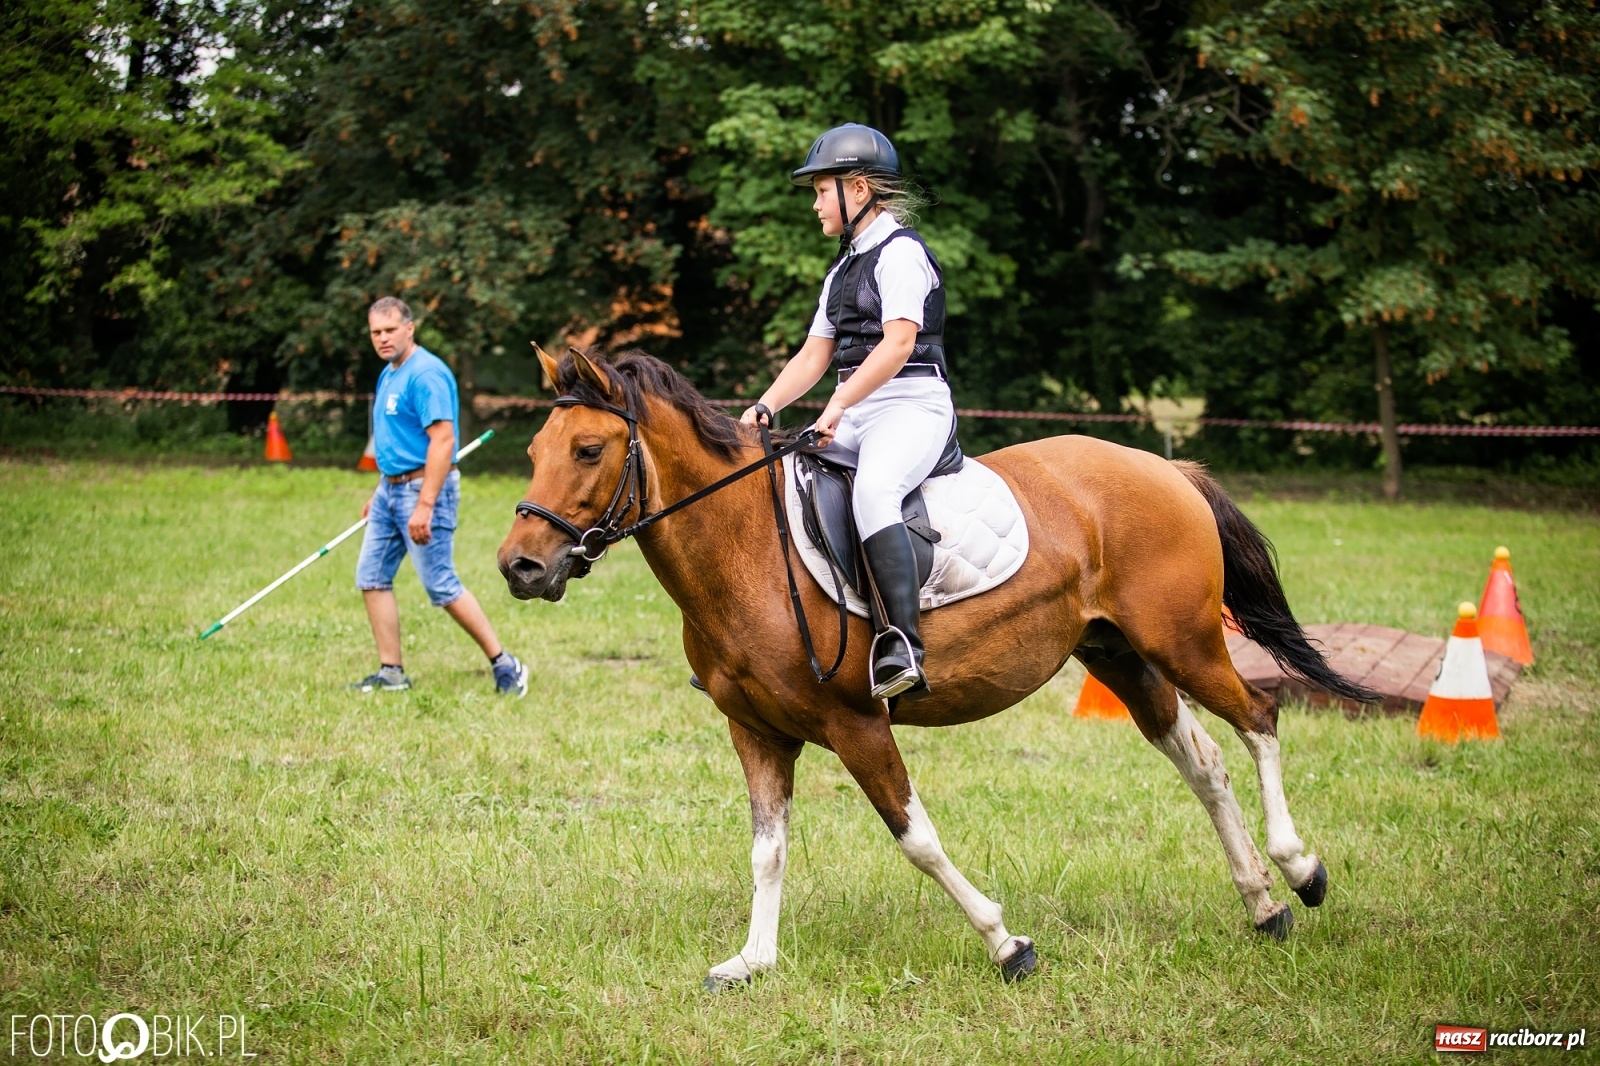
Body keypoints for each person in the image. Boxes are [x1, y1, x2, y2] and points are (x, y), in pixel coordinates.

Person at [740, 123, 955, 700]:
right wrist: (765, 405)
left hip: (912, 406)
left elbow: (898, 344)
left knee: (874, 491)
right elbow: (815, 353)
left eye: (821, 190)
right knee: (782, 479)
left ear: (858, 189)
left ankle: (901, 642)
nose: (814, 204)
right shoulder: (840, 270)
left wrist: (836, 403)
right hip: (859, 408)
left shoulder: (902, 254)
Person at [351, 296, 528, 696]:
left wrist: (424, 505)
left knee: (441, 585)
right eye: (375, 332)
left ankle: (506, 665)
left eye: (389, 330)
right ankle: (391, 673)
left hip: (425, 489)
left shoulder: (426, 374)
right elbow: (396, 439)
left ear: (409, 329)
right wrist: (380, 490)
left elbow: (442, 440)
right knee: (372, 578)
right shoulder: (388, 374)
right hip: (390, 489)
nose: (382, 339)